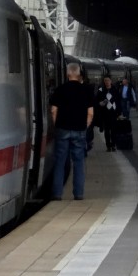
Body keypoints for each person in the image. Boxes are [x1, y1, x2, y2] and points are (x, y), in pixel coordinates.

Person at [50, 62, 95, 201]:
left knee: (60, 162)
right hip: (79, 130)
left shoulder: (59, 90)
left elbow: (53, 110)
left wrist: (56, 124)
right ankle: (78, 194)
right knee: (79, 162)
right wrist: (85, 126)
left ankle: (57, 194)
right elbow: (91, 113)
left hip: (62, 129)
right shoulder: (87, 90)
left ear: (68, 74)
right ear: (79, 74)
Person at [95, 75, 121, 152]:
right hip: (105, 113)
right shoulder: (101, 90)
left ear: (111, 81)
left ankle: (113, 145)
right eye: (105, 80)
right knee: (107, 130)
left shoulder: (115, 90)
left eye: (108, 80)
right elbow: (96, 100)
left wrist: (119, 112)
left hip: (113, 113)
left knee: (113, 130)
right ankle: (108, 145)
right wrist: (100, 103)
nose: (107, 82)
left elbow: (118, 101)